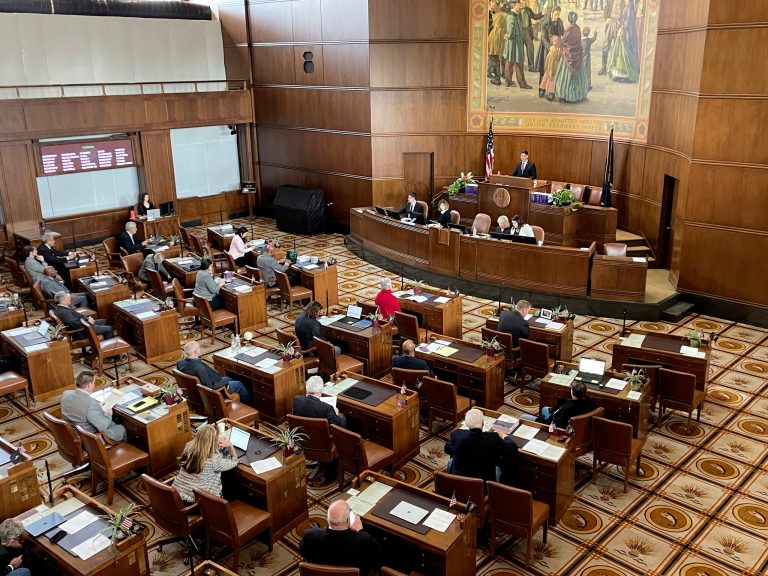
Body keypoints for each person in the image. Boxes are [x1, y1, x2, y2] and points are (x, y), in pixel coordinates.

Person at [299, 499, 382, 575]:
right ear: (349, 520)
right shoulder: (363, 539)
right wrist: (360, 531)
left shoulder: (310, 535)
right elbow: (377, 556)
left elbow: (303, 550)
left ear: (328, 518)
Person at [444, 408, 518, 485]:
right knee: (507, 463)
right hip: (484, 484)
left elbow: (447, 449)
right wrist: (503, 435)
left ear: (466, 423)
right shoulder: (493, 438)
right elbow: (512, 449)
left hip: (459, 482)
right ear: (482, 423)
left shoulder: (457, 435)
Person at [171, 424, 237, 504]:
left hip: (176, 494)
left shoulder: (188, 447)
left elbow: (202, 444)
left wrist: (214, 444)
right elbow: (234, 461)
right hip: (193, 502)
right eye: (217, 439)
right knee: (230, 474)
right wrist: (230, 446)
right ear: (213, 442)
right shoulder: (213, 460)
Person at [177, 340, 253, 405]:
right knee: (238, 384)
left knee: (230, 378)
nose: (200, 349)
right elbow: (210, 387)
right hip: (218, 390)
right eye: (199, 347)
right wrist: (225, 382)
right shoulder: (200, 369)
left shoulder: (180, 363)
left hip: (193, 392)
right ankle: (250, 404)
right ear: (196, 351)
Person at [61, 370, 127, 441]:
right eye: (93, 383)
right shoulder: (91, 403)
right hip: (89, 439)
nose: (94, 385)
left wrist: (96, 409)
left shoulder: (66, 393)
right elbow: (102, 426)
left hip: (71, 434)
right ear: (89, 385)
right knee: (121, 428)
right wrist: (108, 414)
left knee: (113, 423)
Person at [523, 380, 597, 428]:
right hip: (576, 424)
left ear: (572, 392)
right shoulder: (592, 402)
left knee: (523, 416)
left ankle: (541, 429)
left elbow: (556, 423)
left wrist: (543, 422)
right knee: (544, 408)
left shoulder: (568, 408)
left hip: (557, 425)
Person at [554, 11, 589, 103]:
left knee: (565, 76)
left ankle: (565, 94)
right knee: (578, 77)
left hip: (567, 56)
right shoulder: (578, 28)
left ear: (569, 19)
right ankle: (578, 95)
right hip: (577, 55)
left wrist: (559, 40)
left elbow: (564, 41)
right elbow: (577, 41)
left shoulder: (568, 29)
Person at [535, 6, 564, 98]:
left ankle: (551, 91)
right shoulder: (545, 24)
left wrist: (560, 45)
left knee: (554, 70)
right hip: (546, 49)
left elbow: (562, 34)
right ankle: (541, 89)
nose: (557, 16)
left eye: (558, 15)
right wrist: (549, 47)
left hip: (556, 50)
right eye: (556, 14)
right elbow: (543, 38)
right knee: (544, 70)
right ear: (551, 13)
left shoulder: (560, 22)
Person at [503, 0, 532, 89]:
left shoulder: (515, 14)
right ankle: (522, 83)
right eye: (519, 4)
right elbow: (510, 31)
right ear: (515, 5)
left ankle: (508, 81)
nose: (521, 5)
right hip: (514, 43)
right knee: (518, 62)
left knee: (510, 62)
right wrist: (508, 35)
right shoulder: (512, 16)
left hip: (513, 43)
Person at [521, 0, 546, 71]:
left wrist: (542, 13)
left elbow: (534, 16)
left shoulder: (528, 10)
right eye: (522, 2)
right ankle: (520, 65)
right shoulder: (516, 10)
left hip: (527, 31)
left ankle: (531, 66)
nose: (524, 4)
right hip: (519, 32)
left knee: (530, 49)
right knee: (519, 50)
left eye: (525, 2)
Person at [487, 1, 508, 85]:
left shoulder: (498, 15)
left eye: (493, 3)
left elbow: (495, 26)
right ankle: (498, 77)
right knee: (497, 57)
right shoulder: (505, 15)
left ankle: (497, 78)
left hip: (495, 37)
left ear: (498, 5)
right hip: (501, 37)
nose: (491, 5)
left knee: (494, 57)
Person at [581, 26, 599, 90]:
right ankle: (588, 85)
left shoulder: (580, 41)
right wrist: (596, 31)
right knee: (588, 72)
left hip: (581, 59)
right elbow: (594, 38)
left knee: (582, 72)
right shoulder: (589, 40)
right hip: (587, 59)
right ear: (588, 33)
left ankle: (582, 85)